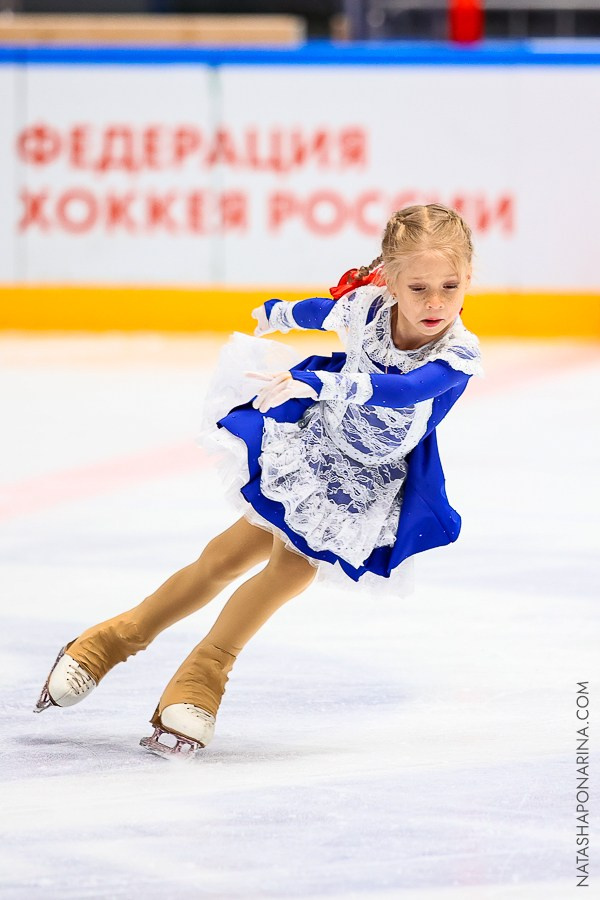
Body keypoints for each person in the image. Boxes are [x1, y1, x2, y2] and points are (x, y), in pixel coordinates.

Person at [34, 203, 484, 758]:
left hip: (359, 485)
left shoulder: (459, 354)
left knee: (290, 569)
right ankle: (111, 640)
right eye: (418, 287)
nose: (435, 302)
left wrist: (323, 385)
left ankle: (203, 674)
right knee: (225, 557)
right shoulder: (369, 308)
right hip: (310, 450)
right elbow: (330, 312)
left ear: (469, 280)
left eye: (450, 285)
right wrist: (282, 312)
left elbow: (405, 391)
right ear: (390, 281)